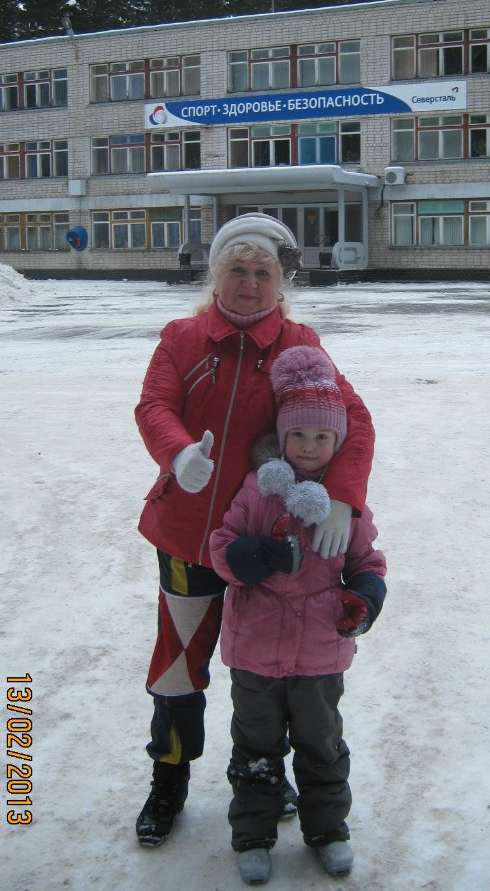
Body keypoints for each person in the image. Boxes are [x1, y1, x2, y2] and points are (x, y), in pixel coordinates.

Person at [133, 213, 375, 848]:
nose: (248, 283)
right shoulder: (183, 338)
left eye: (261, 271)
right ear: (216, 276)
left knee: (273, 669)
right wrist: (178, 452)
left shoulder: (301, 343)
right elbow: (153, 405)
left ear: (280, 281)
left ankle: (261, 773)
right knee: (181, 665)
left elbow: (355, 420)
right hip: (189, 537)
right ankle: (169, 778)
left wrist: (344, 500)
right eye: (236, 270)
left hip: (269, 544)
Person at [209, 345, 387, 885]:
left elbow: (367, 560)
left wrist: (366, 596)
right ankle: (254, 834)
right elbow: (222, 547)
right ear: (282, 438)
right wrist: (252, 556)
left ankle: (328, 829)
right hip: (256, 652)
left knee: (321, 745)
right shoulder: (256, 492)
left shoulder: (343, 505)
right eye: (299, 436)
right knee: (256, 747)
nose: (309, 448)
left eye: (323, 437)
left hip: (319, 654)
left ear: (337, 442)